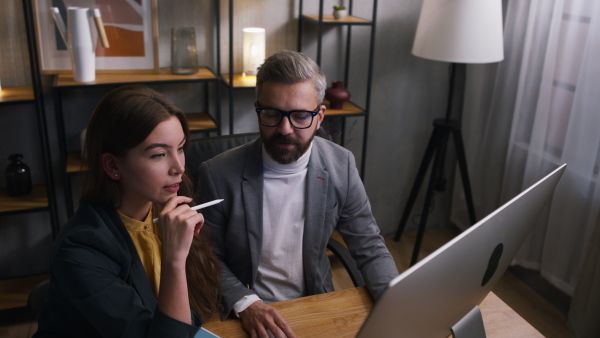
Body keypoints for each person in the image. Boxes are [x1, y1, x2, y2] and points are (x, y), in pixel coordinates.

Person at [196, 50, 399, 337]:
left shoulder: (342, 165)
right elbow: (206, 257)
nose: (285, 129)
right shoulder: (218, 174)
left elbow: (370, 248)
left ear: (320, 116)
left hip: (315, 304)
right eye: (272, 114)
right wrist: (247, 304)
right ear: (258, 109)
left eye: (301, 115)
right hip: (245, 311)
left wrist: (397, 305)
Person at [34, 85, 221, 337]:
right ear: (112, 165)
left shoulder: (167, 207)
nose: (178, 167)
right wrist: (174, 259)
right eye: (158, 155)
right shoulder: (80, 249)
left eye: (181, 148)